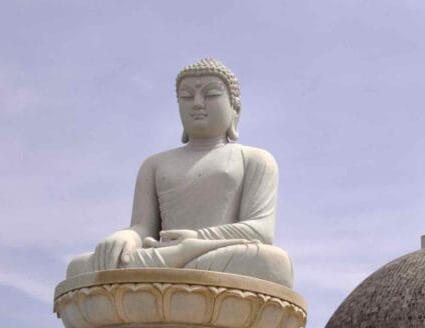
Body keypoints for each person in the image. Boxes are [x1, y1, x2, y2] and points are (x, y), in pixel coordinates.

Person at [66, 58, 294, 287]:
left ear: (235, 107)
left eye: (211, 94)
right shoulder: (154, 164)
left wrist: (197, 240)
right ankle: (175, 266)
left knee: (273, 262)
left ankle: (171, 270)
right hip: (163, 255)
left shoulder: (255, 159)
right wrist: (127, 237)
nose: (196, 103)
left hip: (216, 255)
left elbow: (261, 231)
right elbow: (144, 227)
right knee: (79, 268)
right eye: (186, 97)